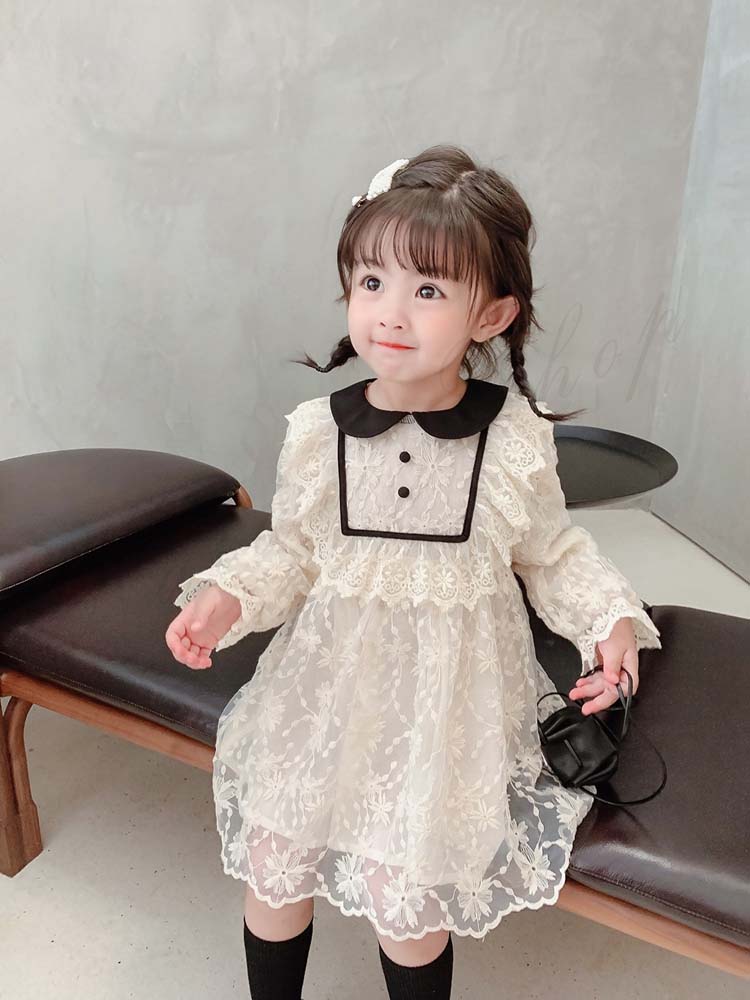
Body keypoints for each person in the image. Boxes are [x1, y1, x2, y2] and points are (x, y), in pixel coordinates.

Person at [165, 144, 662, 1000]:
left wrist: (607, 620)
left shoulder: (512, 439)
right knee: (275, 863)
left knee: (406, 900)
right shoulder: (318, 432)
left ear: (491, 314)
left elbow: (550, 553)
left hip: (448, 706)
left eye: (428, 290)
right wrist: (225, 598)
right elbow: (293, 550)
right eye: (372, 281)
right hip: (327, 689)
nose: (391, 312)